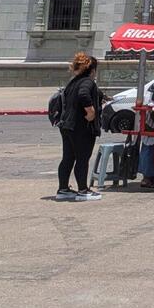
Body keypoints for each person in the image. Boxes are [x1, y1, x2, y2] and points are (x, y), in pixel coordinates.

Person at [55, 52, 103, 201]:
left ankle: (63, 189)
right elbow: (83, 95)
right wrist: (91, 111)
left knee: (68, 158)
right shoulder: (88, 82)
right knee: (82, 158)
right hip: (80, 127)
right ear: (93, 70)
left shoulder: (73, 81)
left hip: (66, 125)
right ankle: (83, 190)